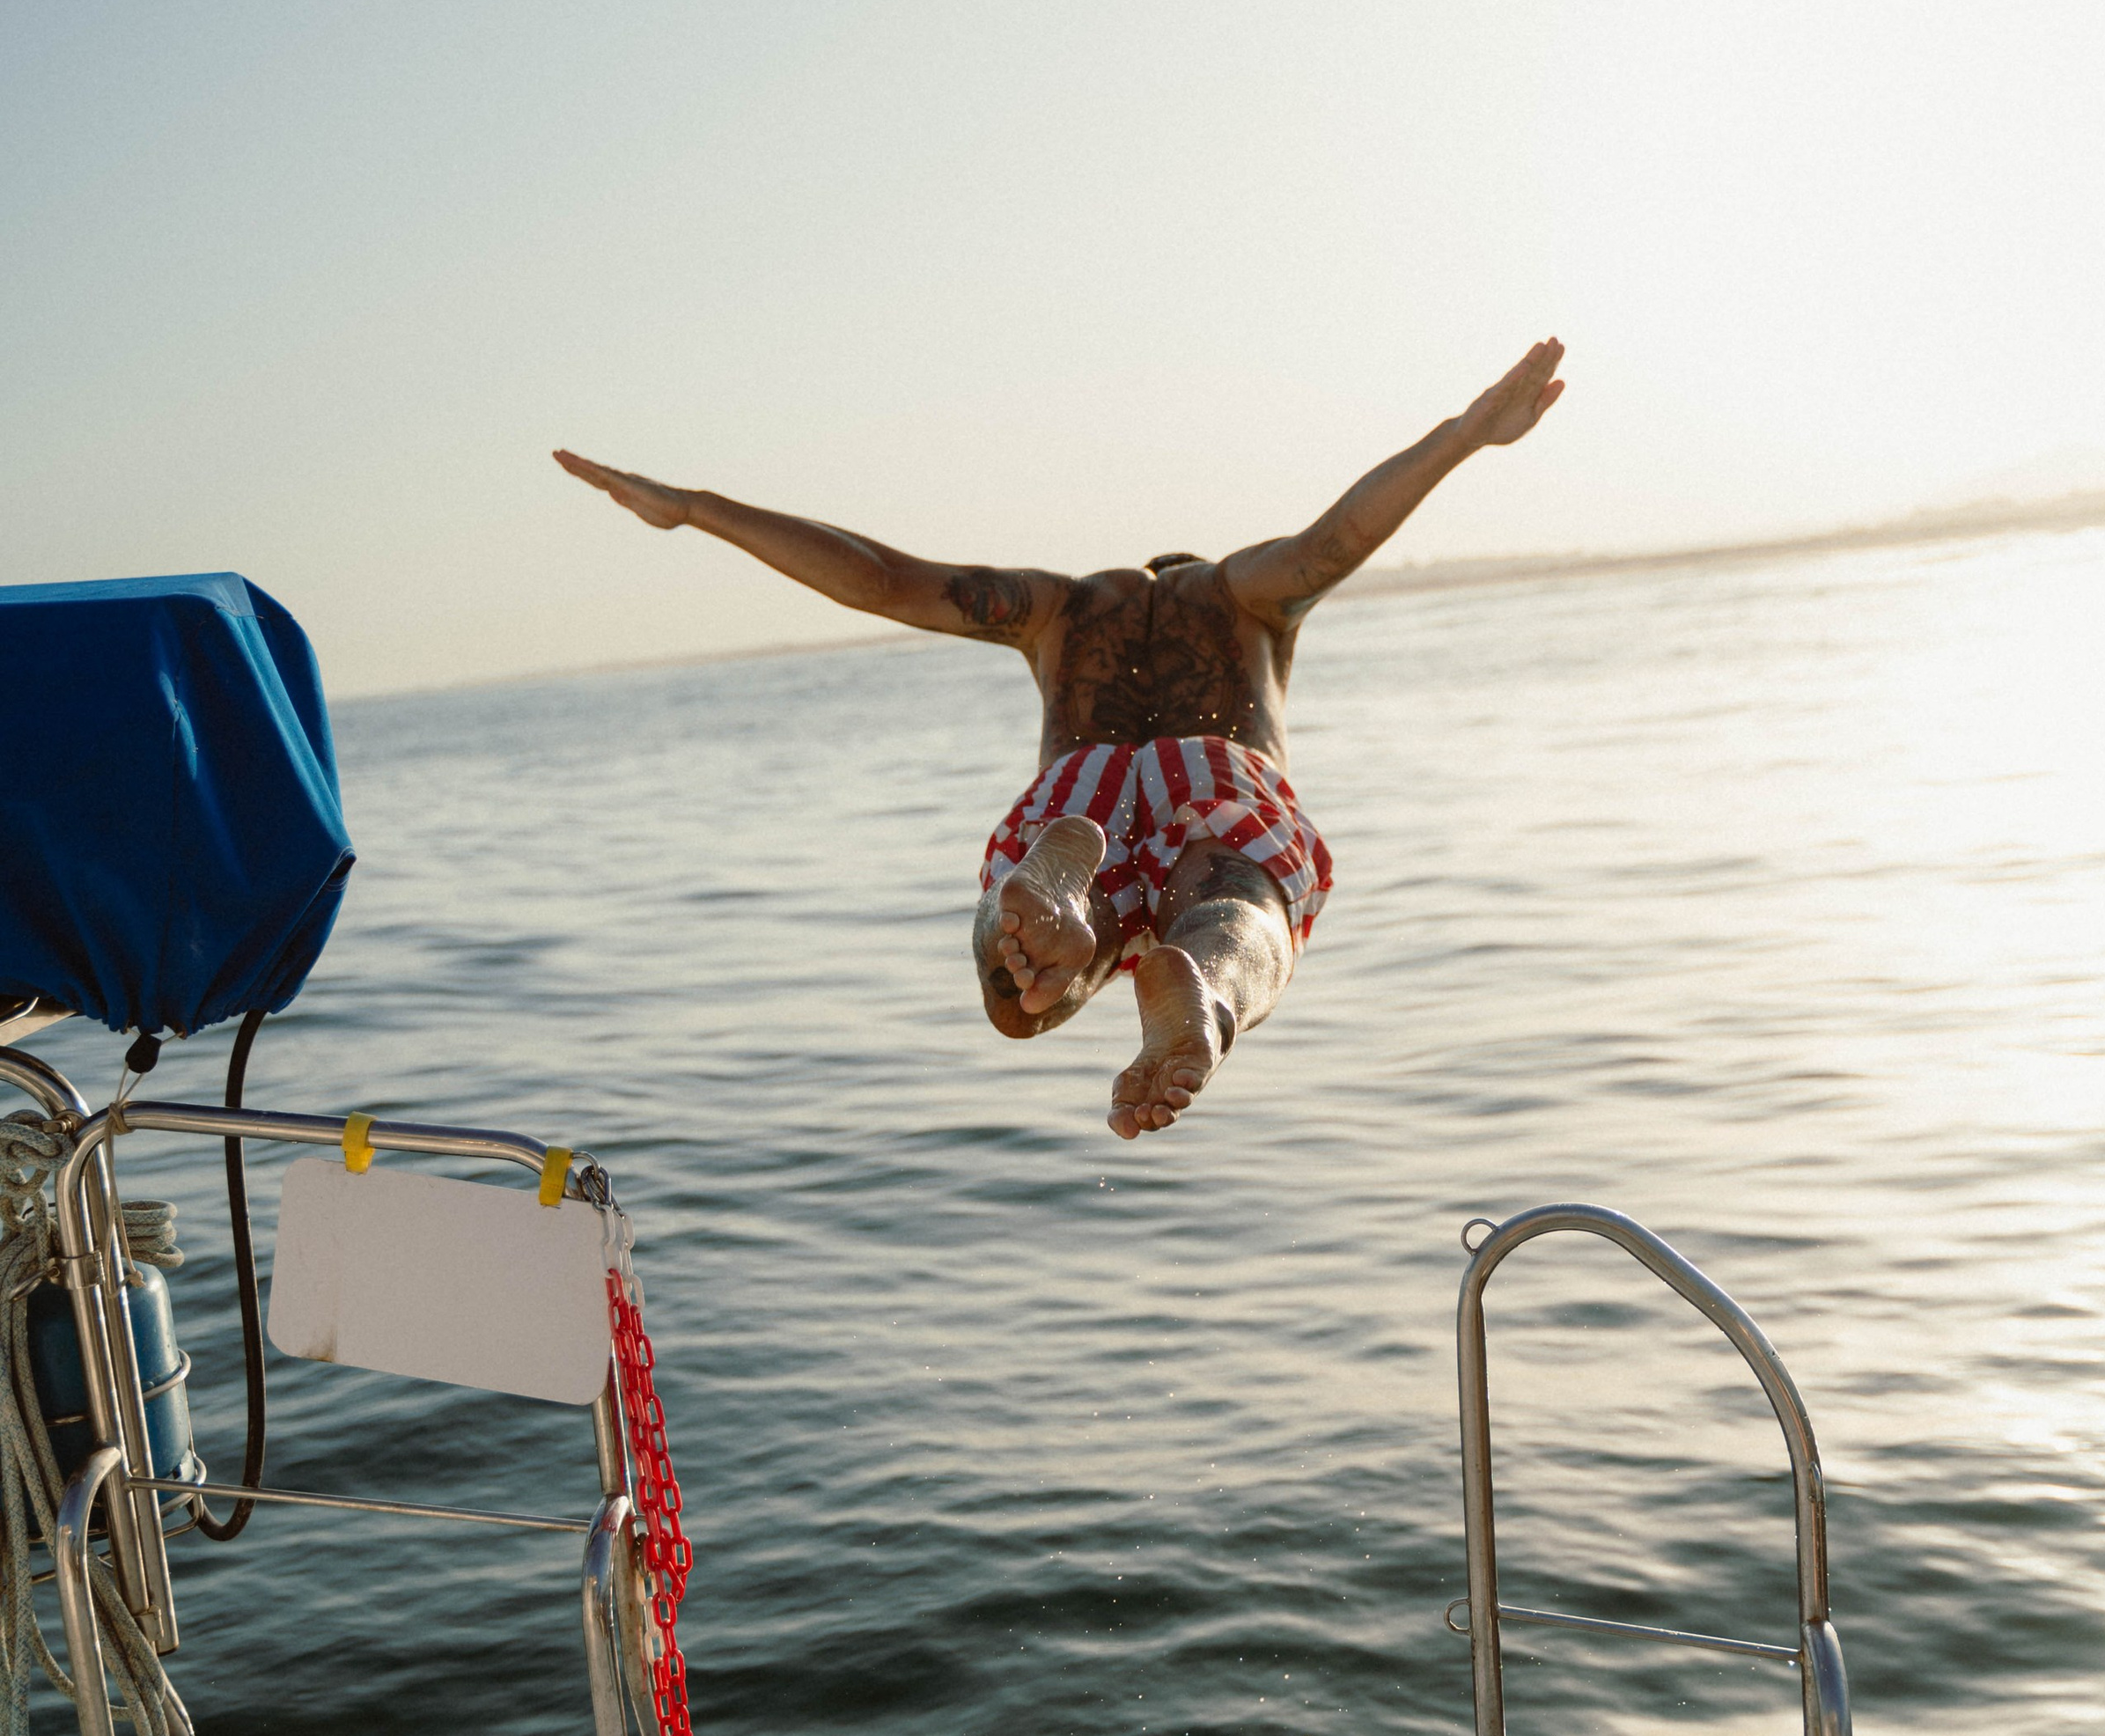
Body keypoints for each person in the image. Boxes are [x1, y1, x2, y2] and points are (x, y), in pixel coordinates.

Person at [556, 337, 1564, 1138]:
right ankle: (1205, 997)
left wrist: (696, 510)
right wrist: (1462, 436)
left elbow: (881, 581)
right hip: (1219, 773)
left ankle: (1067, 899)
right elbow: (1332, 544)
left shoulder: (1059, 612)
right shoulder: (1241, 597)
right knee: (1235, 901)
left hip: (1078, 786)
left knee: (1023, 999)